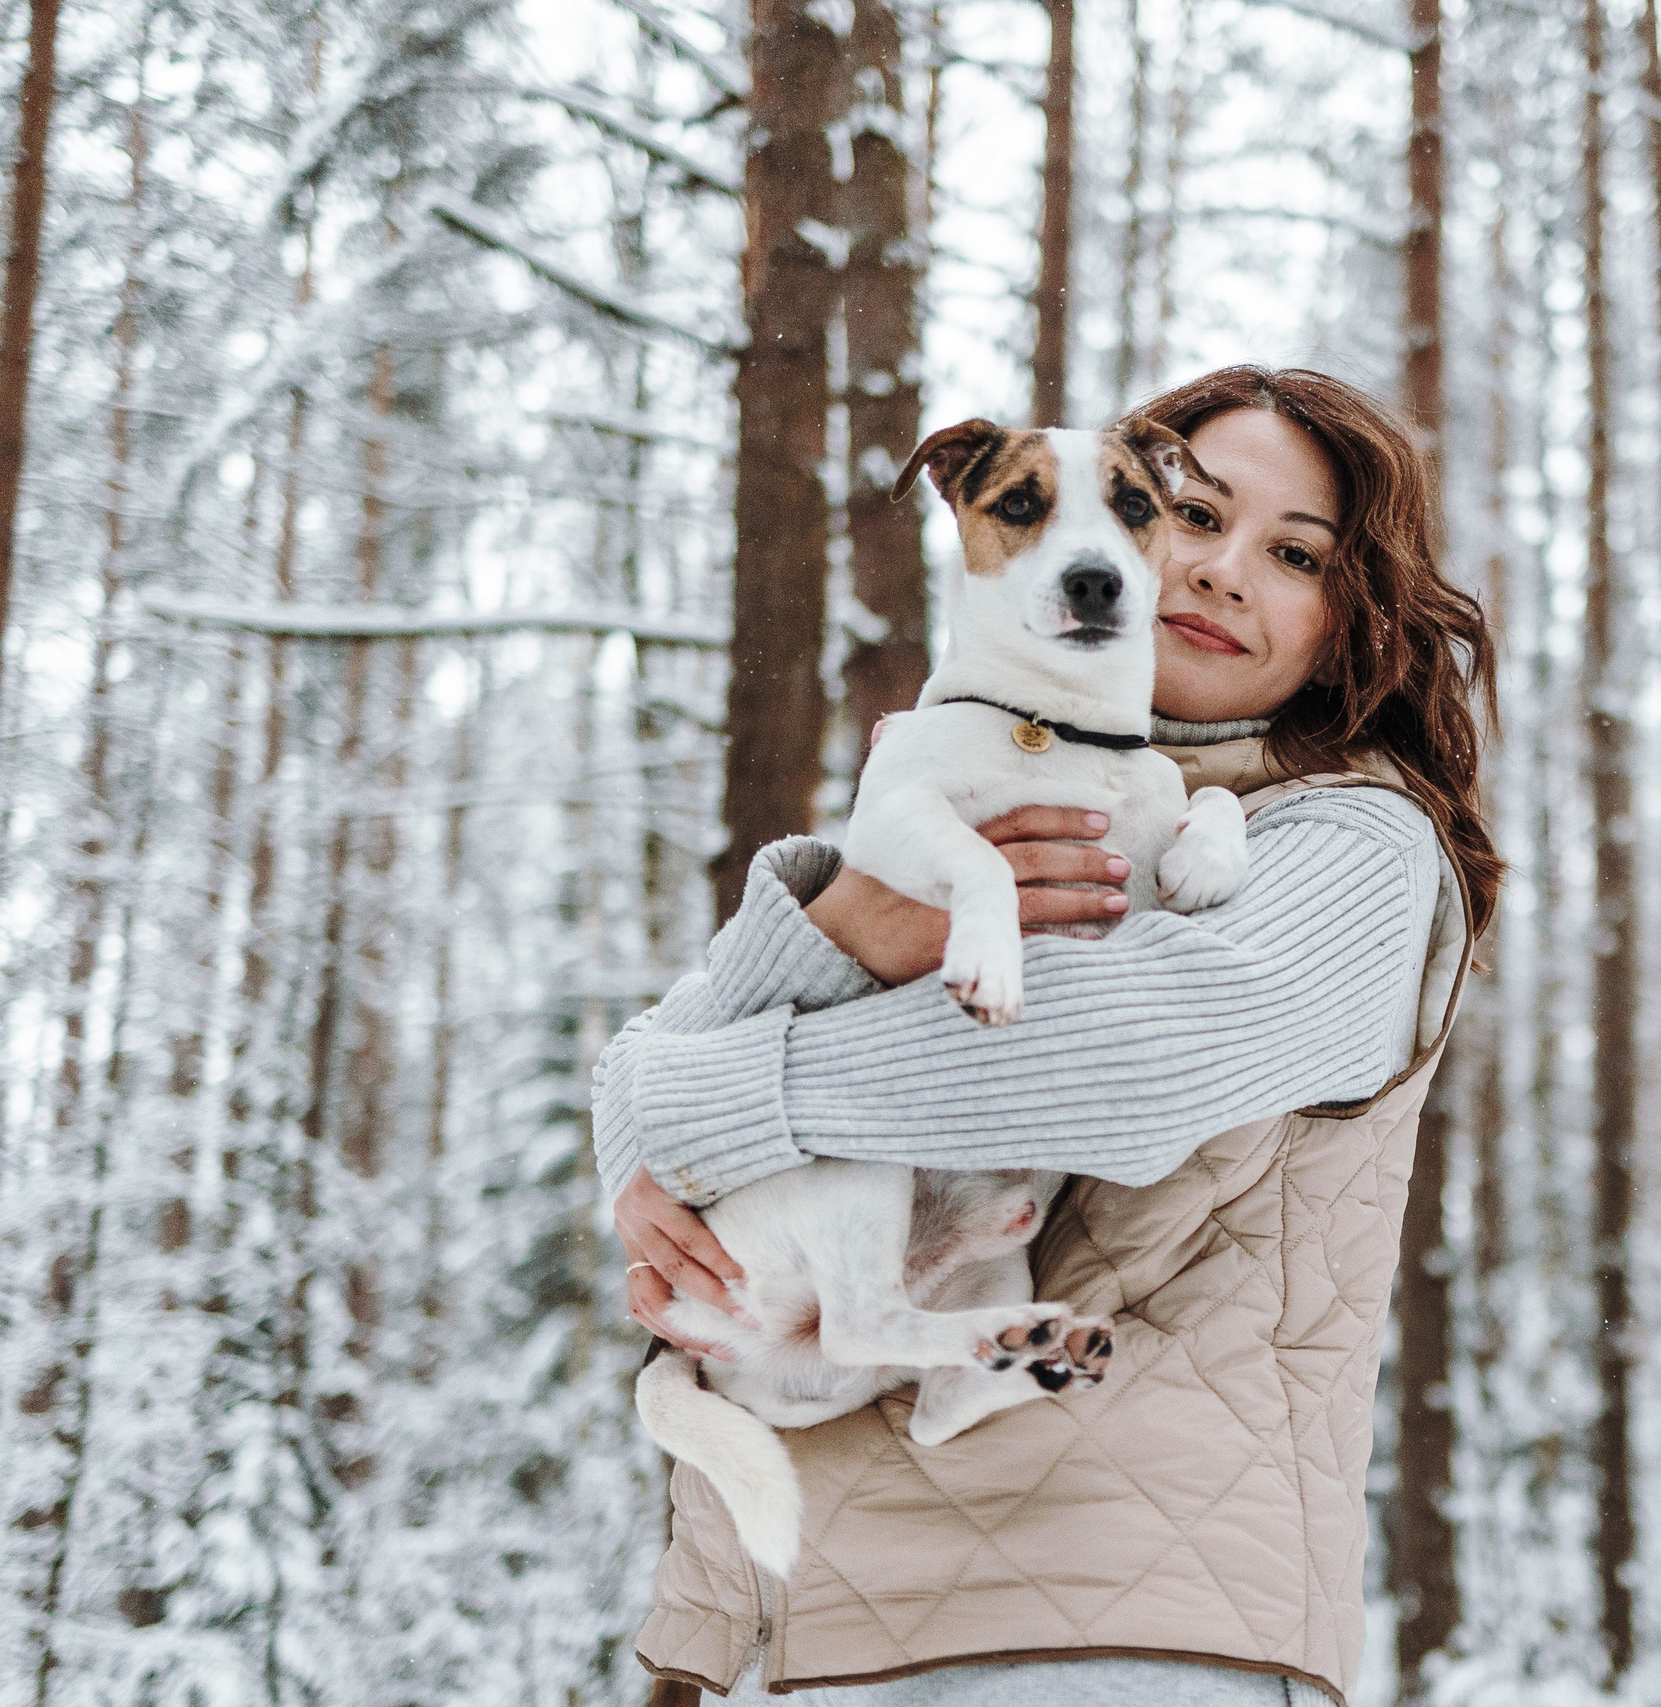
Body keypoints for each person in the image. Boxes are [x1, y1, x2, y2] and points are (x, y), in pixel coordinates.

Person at [592, 366, 1499, 1706]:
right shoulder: (985, 778)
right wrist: (845, 924)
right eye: (1196, 514)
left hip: (1096, 1614)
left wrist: (698, 1108)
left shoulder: (1352, 844)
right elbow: (645, 1068)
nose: (1224, 570)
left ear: (1353, 614)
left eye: (1295, 553)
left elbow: (1111, 1068)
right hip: (796, 1619)